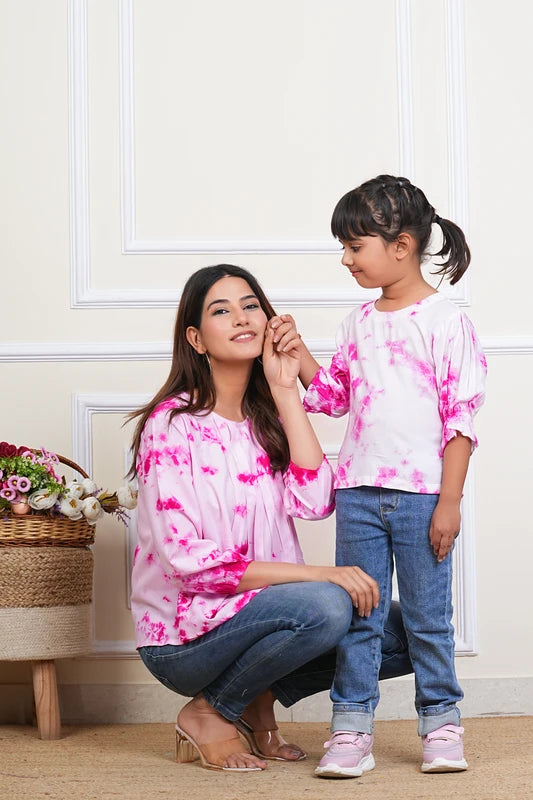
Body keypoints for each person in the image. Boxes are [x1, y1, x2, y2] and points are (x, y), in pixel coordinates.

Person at [127, 263, 413, 773]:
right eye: (221, 310)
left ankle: (256, 702)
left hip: (261, 618)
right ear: (196, 338)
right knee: (326, 605)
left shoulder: (267, 420)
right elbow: (186, 561)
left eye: (251, 306)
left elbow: (316, 501)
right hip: (185, 638)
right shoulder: (171, 425)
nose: (241, 318)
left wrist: (285, 390)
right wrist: (320, 575)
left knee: (409, 630)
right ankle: (208, 711)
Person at [269, 175, 487, 777]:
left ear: (402, 245)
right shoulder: (357, 322)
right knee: (360, 618)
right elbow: (335, 396)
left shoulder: (445, 322)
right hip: (358, 495)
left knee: (426, 618)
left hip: (422, 498)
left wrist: (449, 502)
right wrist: (298, 354)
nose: (346, 259)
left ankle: (441, 723)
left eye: (354, 246)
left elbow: (461, 421)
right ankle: (351, 730)